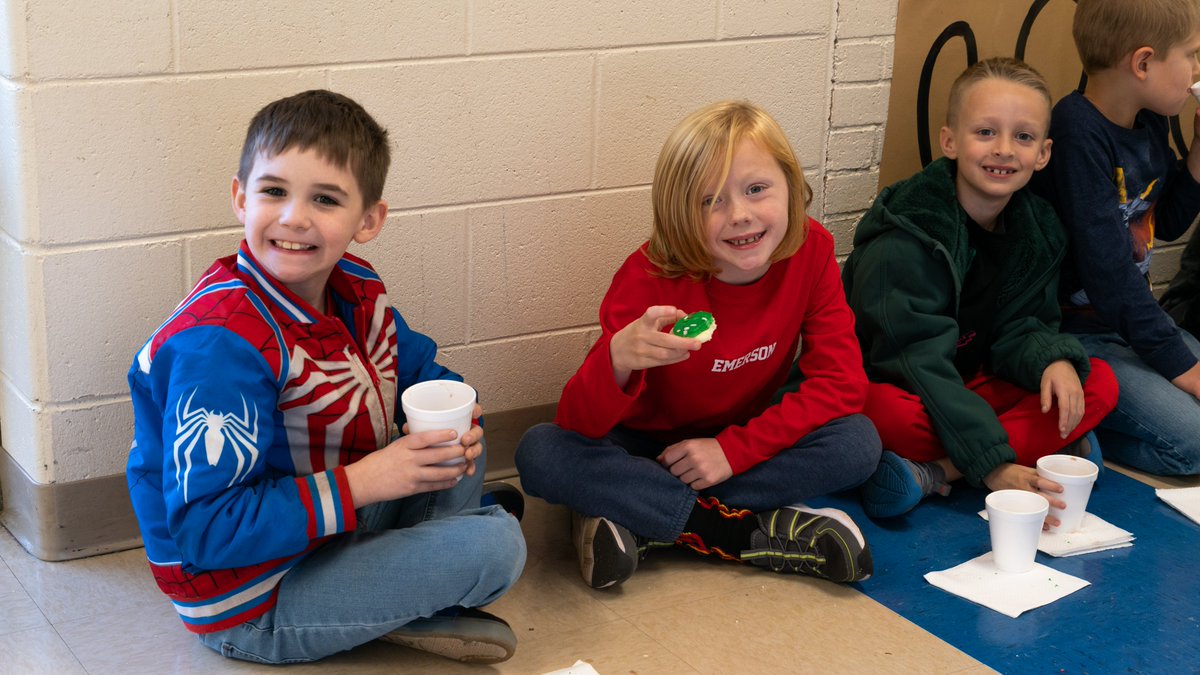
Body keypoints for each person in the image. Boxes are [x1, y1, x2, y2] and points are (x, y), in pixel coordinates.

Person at [125, 90, 526, 665]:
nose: (294, 217)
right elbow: (206, 532)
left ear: (369, 220)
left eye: (325, 199)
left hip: (327, 523)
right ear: (240, 197)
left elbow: (416, 370)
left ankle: (406, 576)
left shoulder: (356, 286)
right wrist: (365, 482)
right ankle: (412, 587)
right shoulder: (221, 346)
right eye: (273, 191)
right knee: (498, 546)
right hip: (251, 596)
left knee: (456, 441)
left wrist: (458, 412)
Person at [515, 101, 881, 590]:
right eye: (711, 201)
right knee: (540, 452)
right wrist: (617, 361)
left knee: (858, 443)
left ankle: (642, 517)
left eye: (756, 189)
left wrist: (734, 449)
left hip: (739, 437)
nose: (740, 215)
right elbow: (576, 424)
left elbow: (840, 383)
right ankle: (732, 531)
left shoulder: (811, 250)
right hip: (641, 448)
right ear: (678, 214)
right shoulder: (646, 278)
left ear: (791, 187)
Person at [846, 57, 1119, 519]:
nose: (1005, 150)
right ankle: (1029, 449)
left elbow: (1023, 327)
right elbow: (917, 365)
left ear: (1043, 154)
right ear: (949, 141)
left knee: (1097, 382)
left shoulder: (1039, 228)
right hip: (905, 383)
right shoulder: (907, 238)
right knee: (883, 415)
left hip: (973, 383)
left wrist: (1050, 358)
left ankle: (938, 472)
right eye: (986, 132)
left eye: (1024, 137)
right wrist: (994, 468)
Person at [1030, 0, 1200, 476]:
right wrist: (1183, 368)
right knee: (1194, 446)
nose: (1196, 70)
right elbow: (1108, 276)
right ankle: (1081, 428)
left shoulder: (1149, 120)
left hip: (1127, 327)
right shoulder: (1077, 130)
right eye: (1190, 54)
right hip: (1076, 337)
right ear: (1143, 62)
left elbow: (1163, 224)